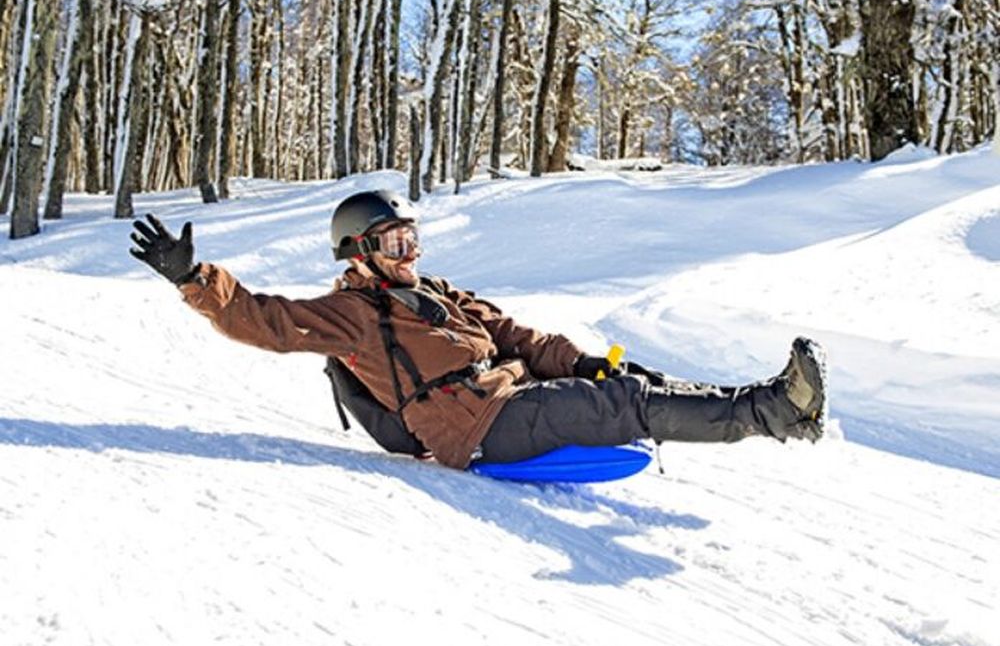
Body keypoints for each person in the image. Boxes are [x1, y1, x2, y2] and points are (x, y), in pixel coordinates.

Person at [129, 189, 827, 470]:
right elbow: (265, 322)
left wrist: (583, 362)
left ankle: (769, 401)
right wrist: (194, 278)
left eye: (412, 238)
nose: (411, 252)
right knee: (620, 404)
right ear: (360, 252)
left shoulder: (434, 291)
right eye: (395, 243)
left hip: (509, 392)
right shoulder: (354, 314)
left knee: (625, 378)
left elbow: (517, 336)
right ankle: (775, 413)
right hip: (472, 425)